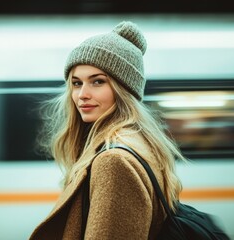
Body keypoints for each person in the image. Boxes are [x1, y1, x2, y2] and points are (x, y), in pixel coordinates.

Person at [29, 21, 186, 240]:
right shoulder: (137, 142)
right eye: (76, 83)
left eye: (97, 82)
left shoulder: (113, 161)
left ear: (124, 90)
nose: (82, 94)